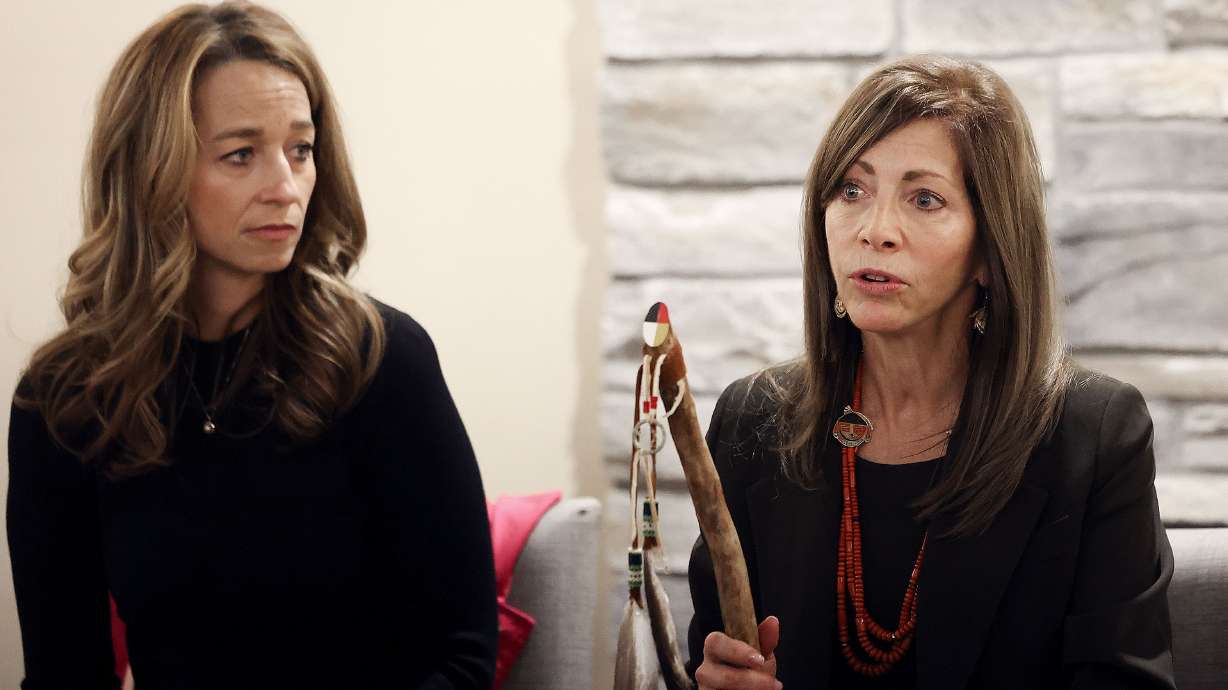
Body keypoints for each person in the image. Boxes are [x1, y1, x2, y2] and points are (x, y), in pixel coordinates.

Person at [6, 3, 497, 688]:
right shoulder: (64, 397)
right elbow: (64, 672)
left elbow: (462, 657)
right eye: (241, 154)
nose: (286, 186)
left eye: (300, 149)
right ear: (154, 171)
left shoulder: (382, 359)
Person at [686, 56, 1174, 690]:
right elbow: (704, 655)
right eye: (852, 190)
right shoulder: (752, 419)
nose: (876, 230)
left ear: (989, 251)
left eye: (925, 199)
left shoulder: (1094, 433)